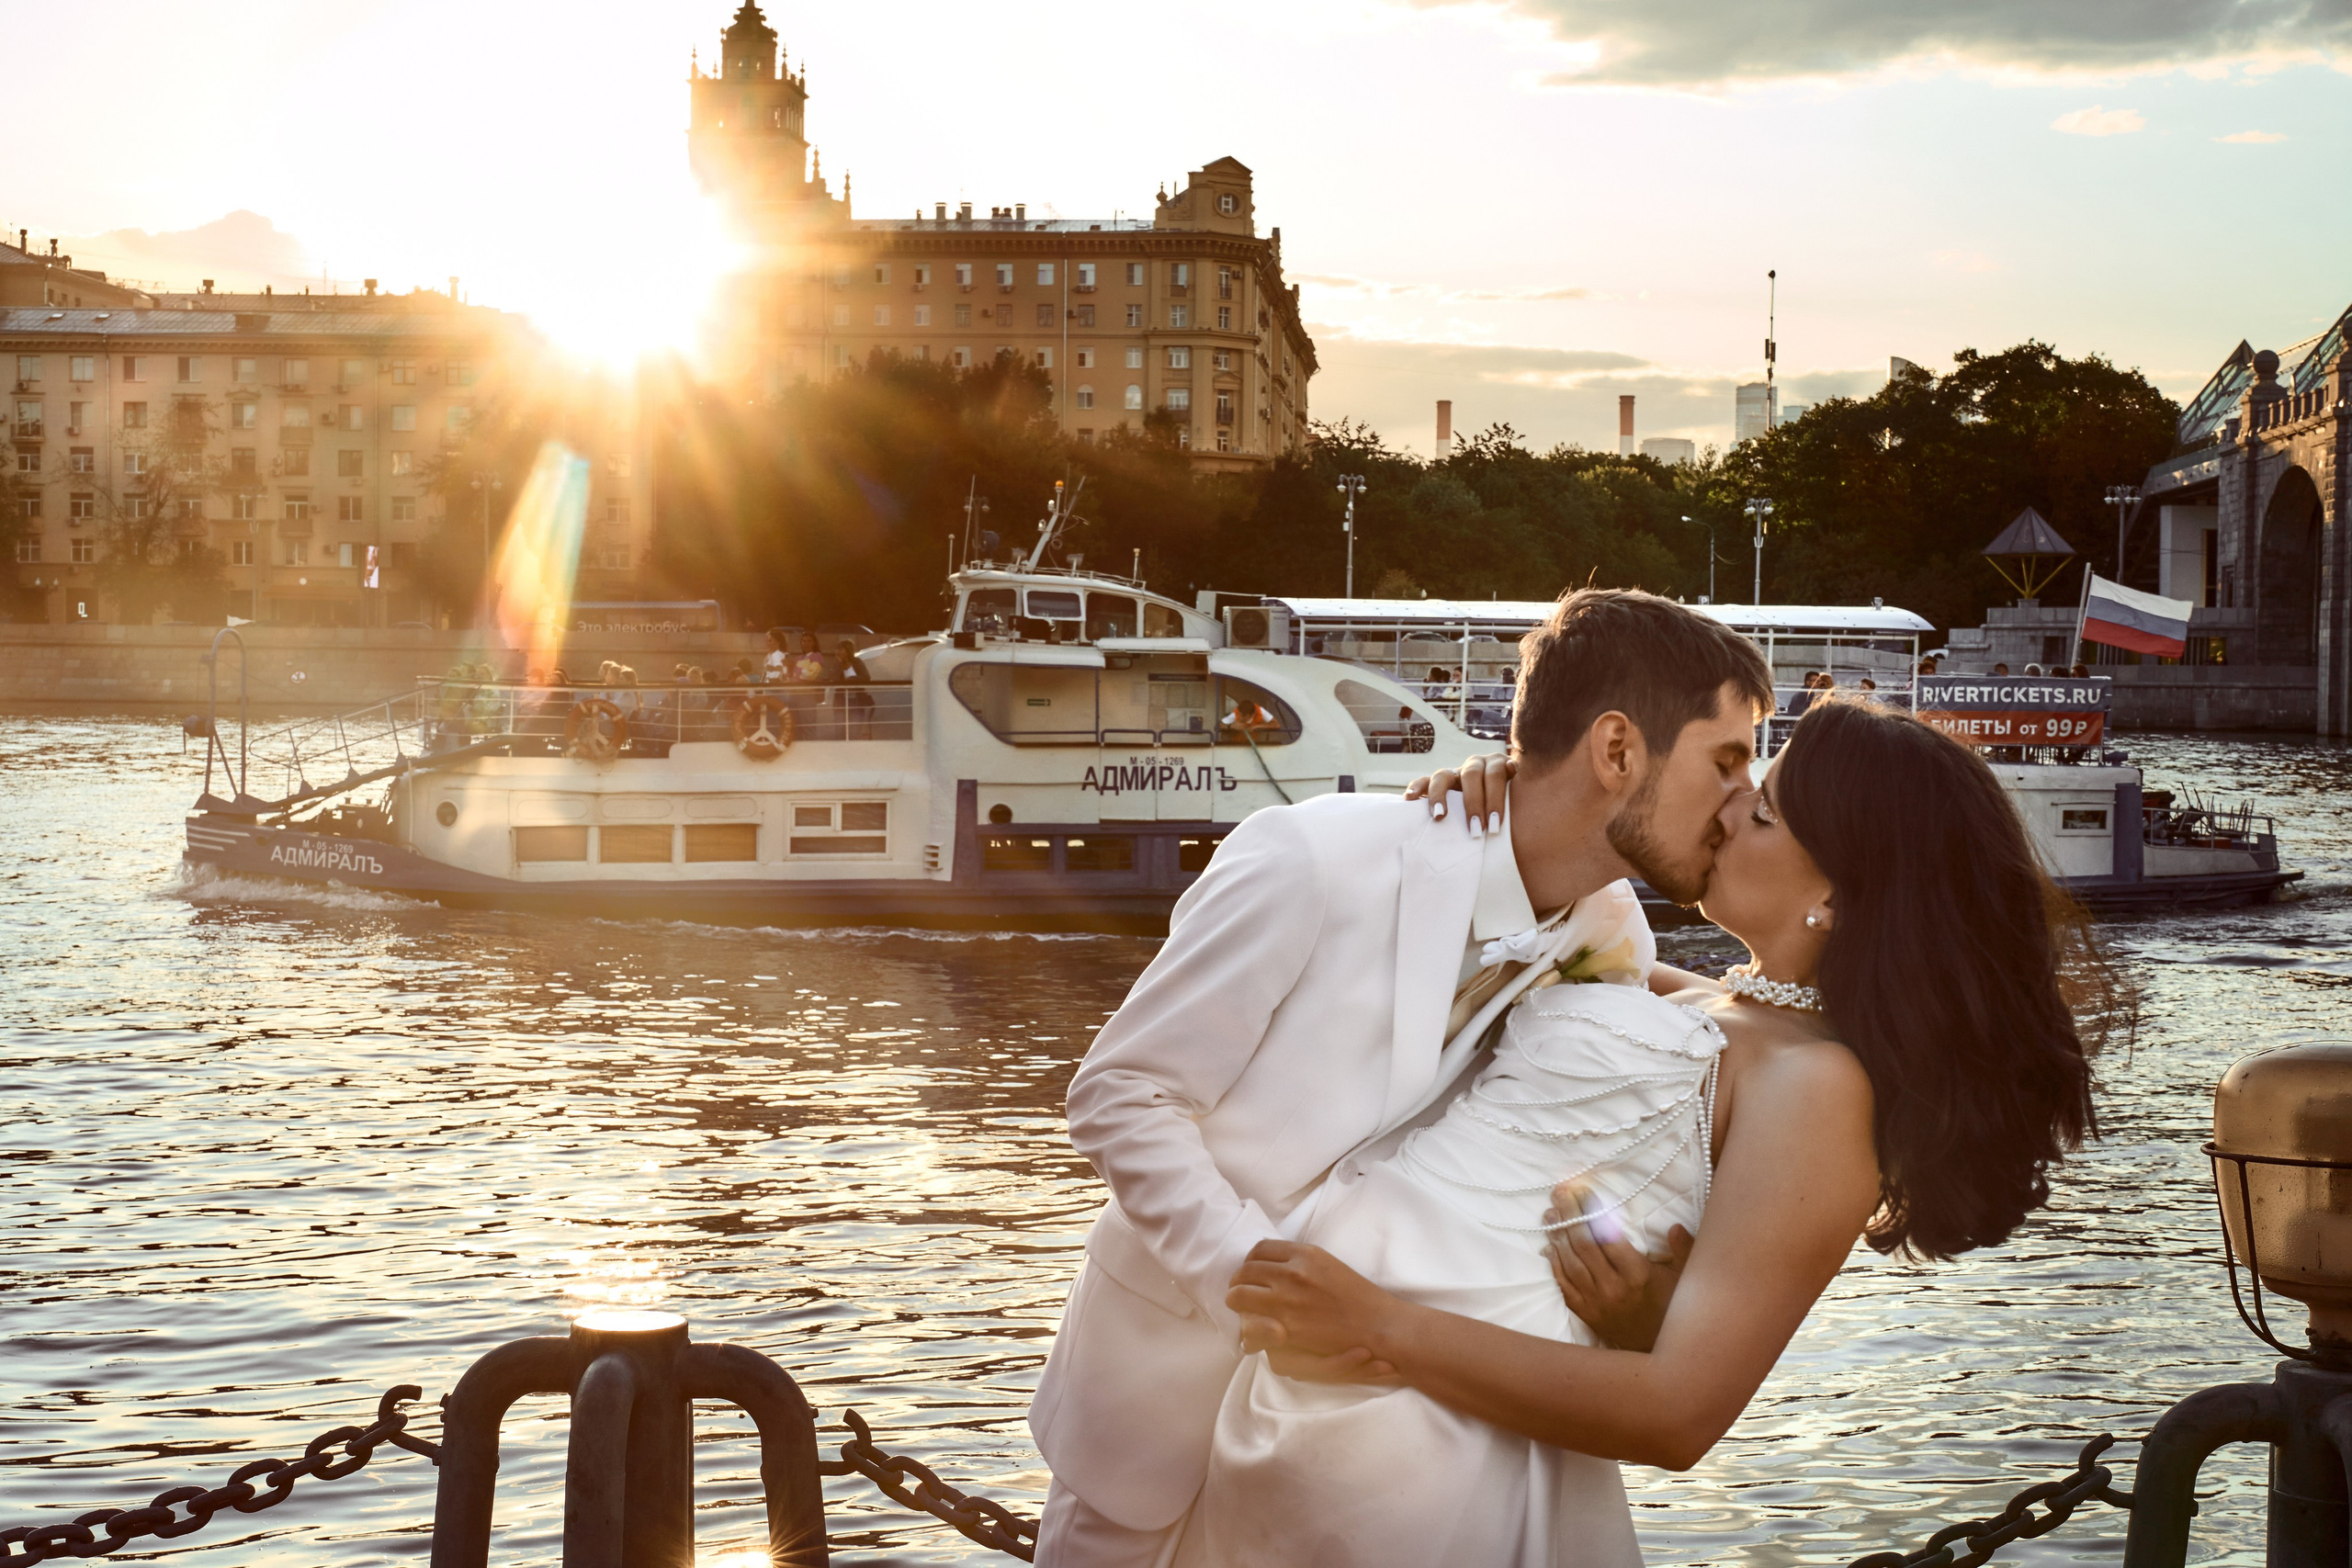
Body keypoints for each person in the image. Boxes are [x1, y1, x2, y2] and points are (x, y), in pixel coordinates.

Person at [1178, 699, 2101, 1566]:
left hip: (1421, 1423)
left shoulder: (1815, 1084)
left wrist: (1377, 1319)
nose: (1729, 810)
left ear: (1844, 896)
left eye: (1767, 813)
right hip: (1316, 1391)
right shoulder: (1681, 991)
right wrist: (1495, 811)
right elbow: (1505, 940)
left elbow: (1679, 1413)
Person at [1030, 589, 1778, 1566]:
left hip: (1364, 1459)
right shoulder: (1313, 858)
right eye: (1725, 761)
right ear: (1616, 751)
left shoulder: (1611, 933)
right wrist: (1248, 1285)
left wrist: (1636, 1297)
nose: (1739, 799)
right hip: (1158, 1400)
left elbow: (1561, 1138)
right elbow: (1122, 1094)